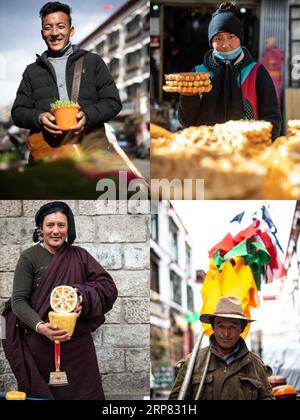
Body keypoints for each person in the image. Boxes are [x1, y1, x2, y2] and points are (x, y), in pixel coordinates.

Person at [2, 201, 118, 400]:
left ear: (68, 228)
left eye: (61, 225)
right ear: (40, 228)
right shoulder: (29, 258)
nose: (55, 231)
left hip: (77, 346)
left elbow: (107, 287)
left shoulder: (80, 256)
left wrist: (82, 296)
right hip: (40, 343)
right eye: (50, 225)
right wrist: (40, 326)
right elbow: (19, 301)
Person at [11, 2, 122, 159]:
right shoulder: (32, 71)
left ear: (71, 31)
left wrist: (87, 116)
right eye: (48, 28)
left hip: (91, 154)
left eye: (61, 26)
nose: (54, 33)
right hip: (48, 157)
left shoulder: (93, 62)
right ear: (42, 33)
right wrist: (39, 118)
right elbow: (18, 112)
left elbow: (113, 102)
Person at [178, 2, 281, 140]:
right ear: (211, 42)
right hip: (205, 151)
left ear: (240, 38)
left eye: (231, 36)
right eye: (218, 38)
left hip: (247, 151)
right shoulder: (198, 74)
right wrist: (188, 97)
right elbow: (186, 122)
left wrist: (264, 149)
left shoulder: (256, 72)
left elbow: (272, 118)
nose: (225, 44)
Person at [169, 296, 275, 400]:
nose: (226, 333)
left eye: (232, 327)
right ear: (213, 326)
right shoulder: (193, 362)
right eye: (220, 326)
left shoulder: (256, 365)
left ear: (242, 328)